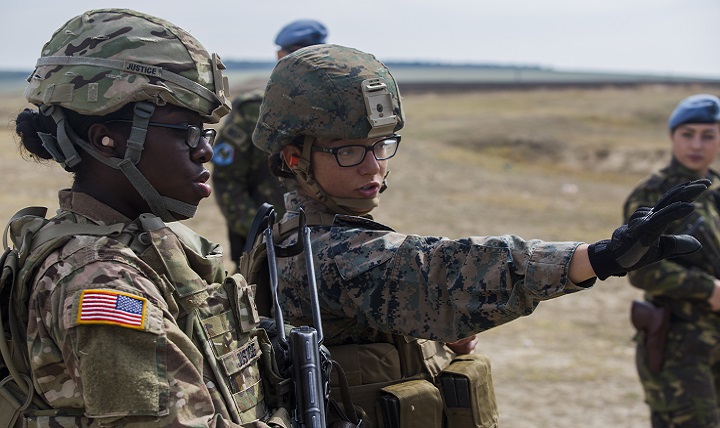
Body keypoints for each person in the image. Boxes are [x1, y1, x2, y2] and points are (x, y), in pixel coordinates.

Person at [247, 43, 709, 427]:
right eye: (349, 151)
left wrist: (429, 345)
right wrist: (595, 259)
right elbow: (436, 270)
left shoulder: (310, 233)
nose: (373, 167)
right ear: (294, 158)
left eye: (381, 146)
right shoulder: (322, 251)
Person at [7, 8, 289, 427]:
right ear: (107, 140)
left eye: (205, 133)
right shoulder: (101, 282)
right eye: (185, 131)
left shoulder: (149, 243)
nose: (204, 151)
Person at [623, 94, 720, 428]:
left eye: (708, 135)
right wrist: (708, 289)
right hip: (680, 346)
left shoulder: (717, 193)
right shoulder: (653, 194)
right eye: (687, 133)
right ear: (672, 136)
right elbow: (638, 267)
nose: (697, 144)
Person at [212, 19, 328, 270]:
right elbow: (227, 181)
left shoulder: (332, 114)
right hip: (263, 254)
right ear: (280, 57)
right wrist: (266, 232)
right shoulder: (253, 111)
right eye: (293, 56)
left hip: (325, 246)